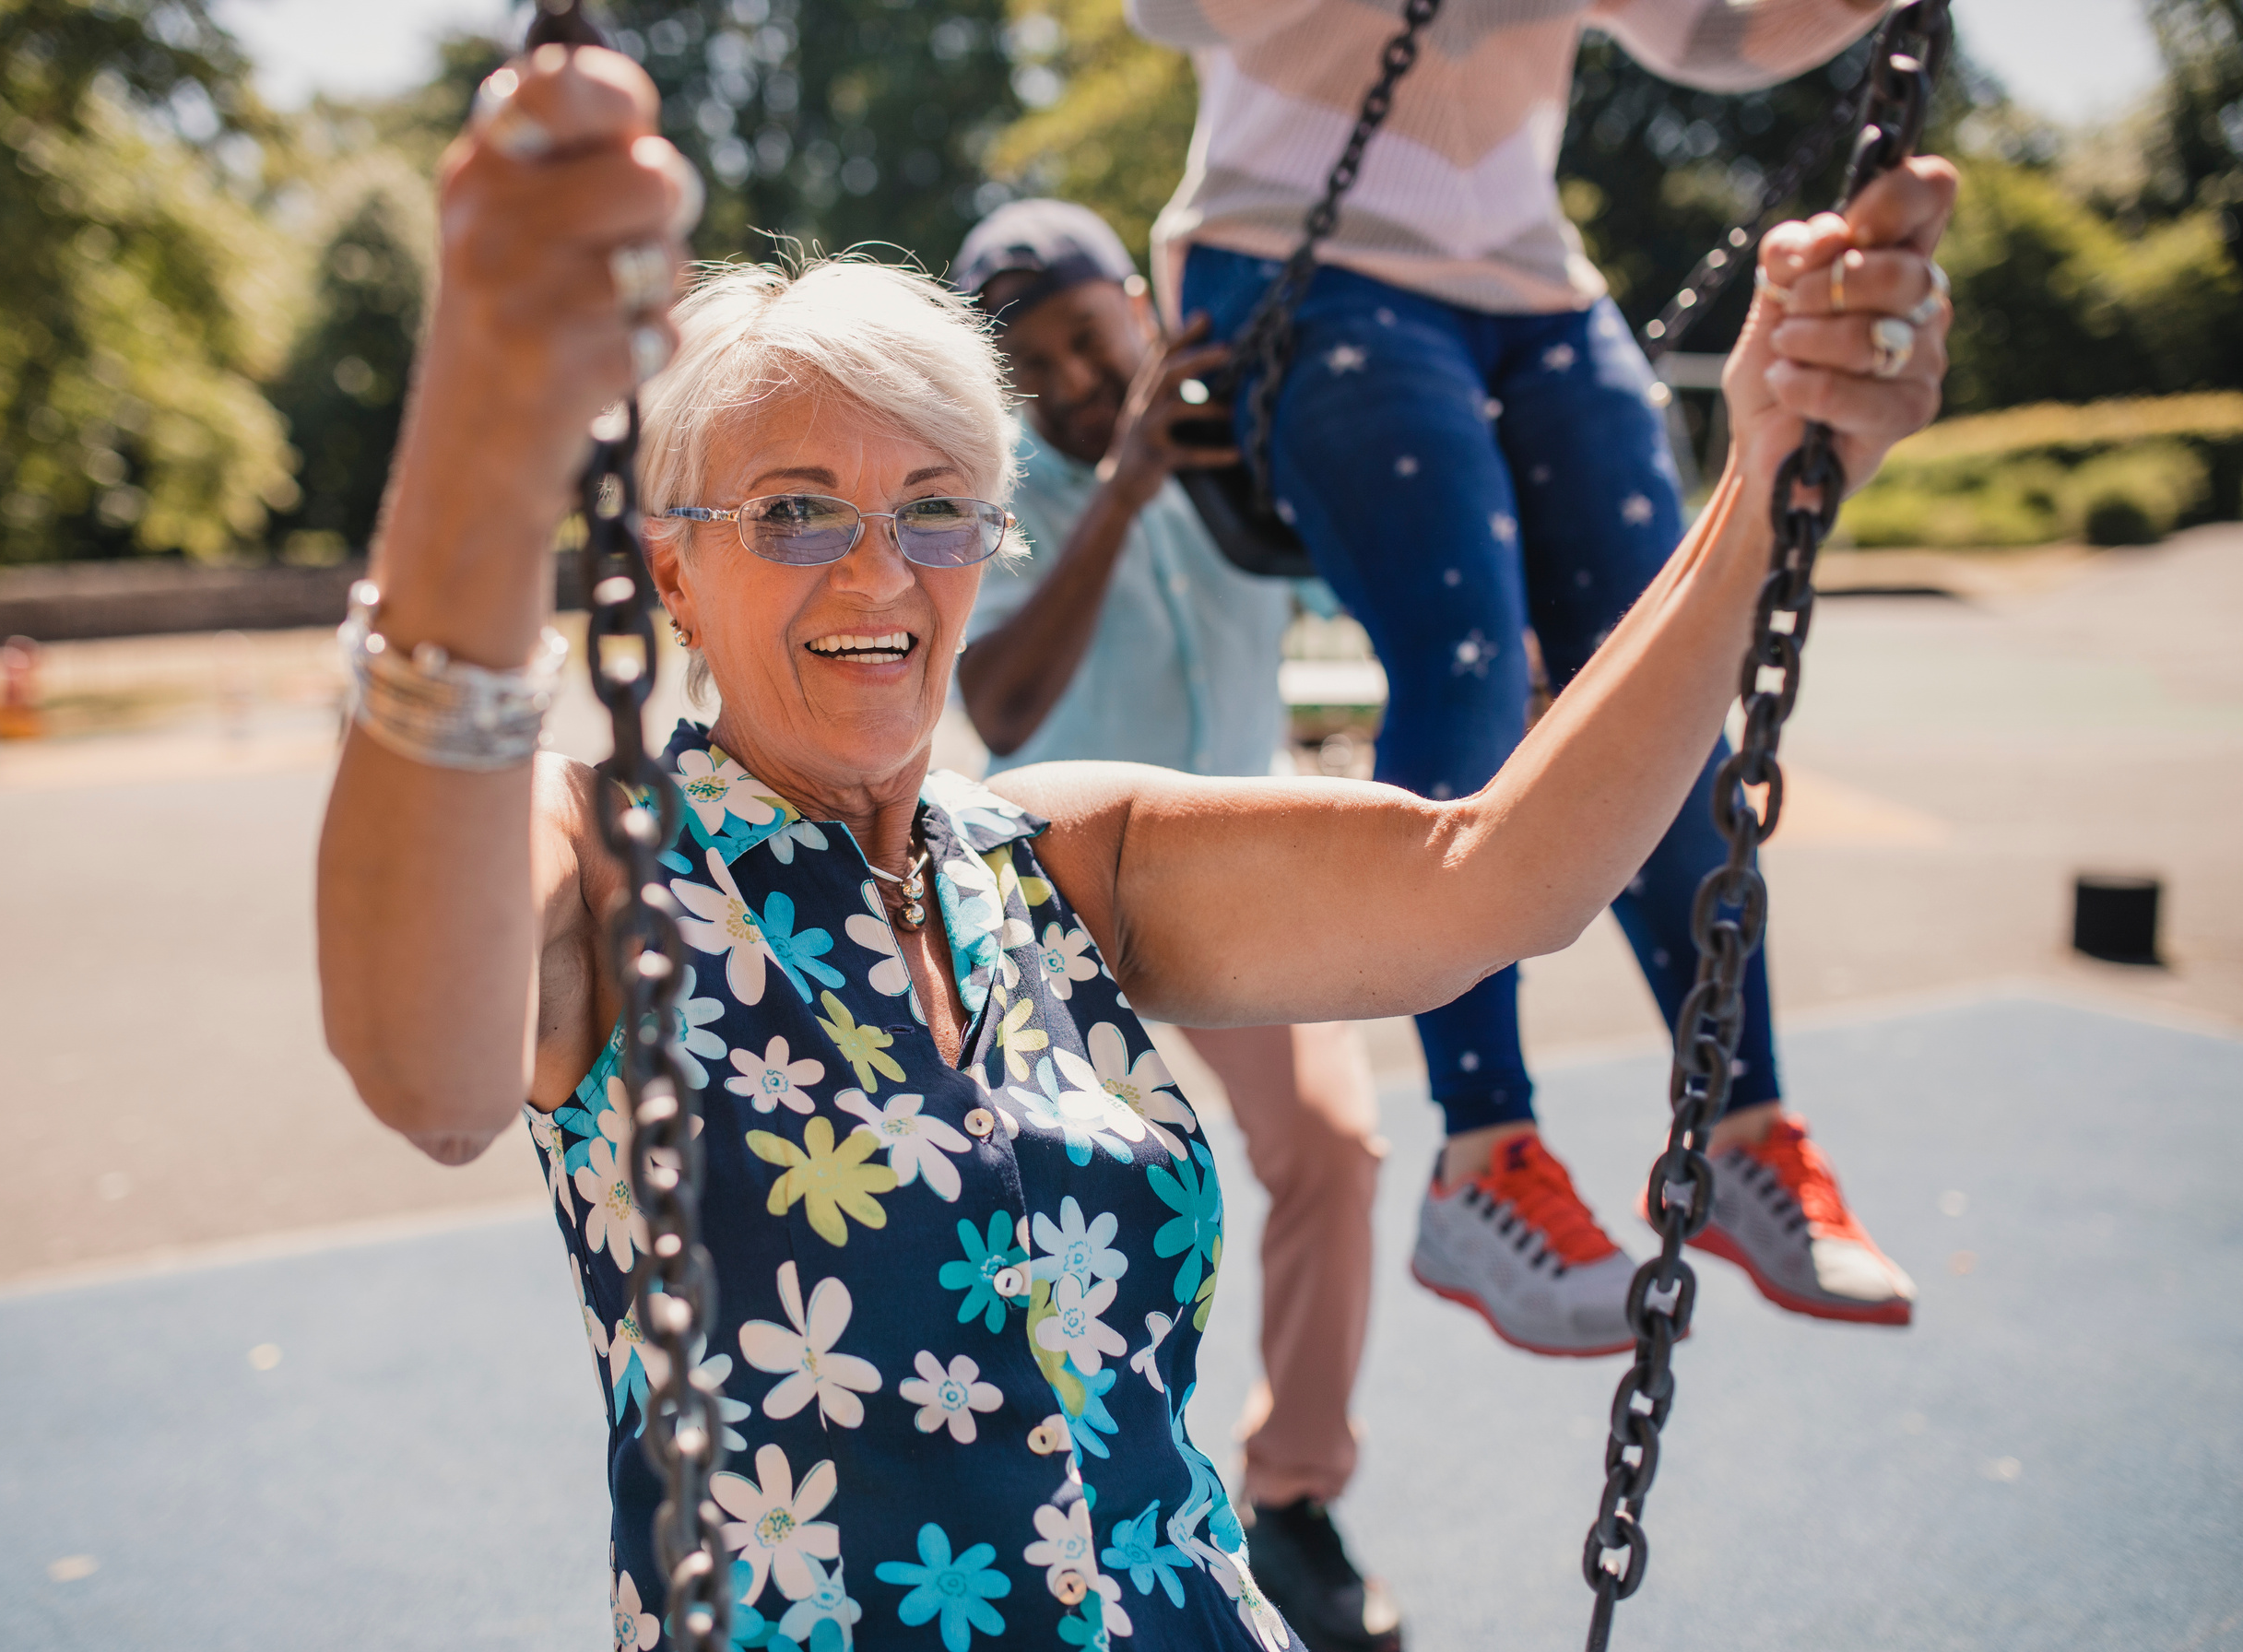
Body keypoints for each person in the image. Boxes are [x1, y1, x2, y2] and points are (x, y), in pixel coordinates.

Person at [315, 39, 1954, 1652]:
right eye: (797, 510)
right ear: (672, 570)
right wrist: (483, 420)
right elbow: (427, 1074)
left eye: (937, 508)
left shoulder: (1060, 859)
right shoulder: (606, 865)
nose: (881, 575)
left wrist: (1767, 485)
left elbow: (1493, 881)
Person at [1130, 0, 1921, 1356]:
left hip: (1530, 275)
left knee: (1667, 668)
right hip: (1293, 246)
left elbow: (1709, 36)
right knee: (1470, 662)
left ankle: (1741, 1125)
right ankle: (1483, 1157)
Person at [950, 198, 1396, 1652]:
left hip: (1230, 884)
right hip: (1050, 901)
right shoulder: (992, 503)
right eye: (1037, 369)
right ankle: (1035, 1508)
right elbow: (1000, 705)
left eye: (1092, 341)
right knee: (1035, 1220)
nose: (1076, 383)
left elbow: (1372, 573)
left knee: (1329, 1146)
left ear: (1142, 310)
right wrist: (1124, 488)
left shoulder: (1240, 463)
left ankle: (1295, 1496)